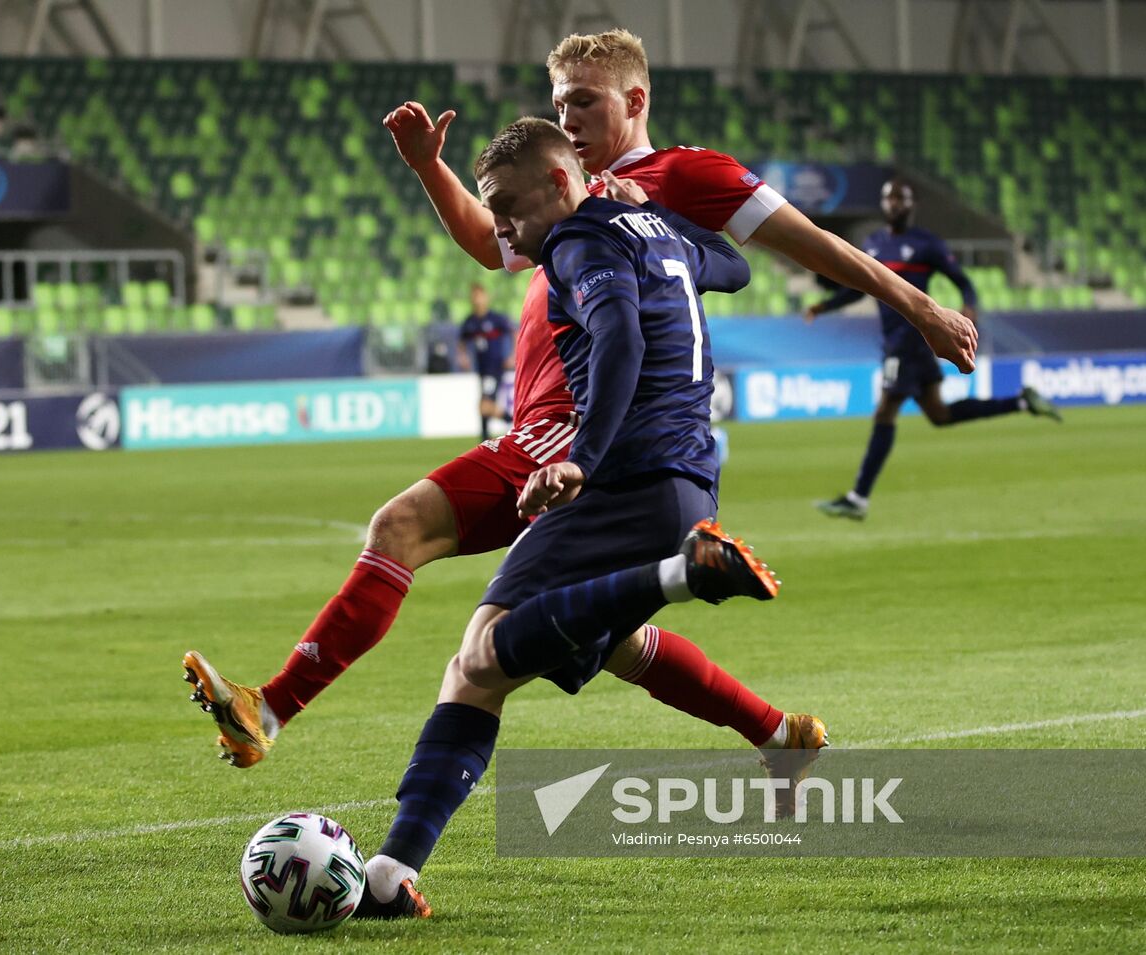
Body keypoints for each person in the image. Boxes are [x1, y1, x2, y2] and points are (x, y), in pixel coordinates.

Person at [180, 27, 966, 771]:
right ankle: (778, 732)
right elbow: (492, 245)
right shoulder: (560, 192)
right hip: (557, 429)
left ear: (636, 101)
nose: (569, 115)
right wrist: (429, 168)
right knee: (612, 638)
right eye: (559, 102)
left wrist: (922, 309)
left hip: (574, 433)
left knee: (415, 544)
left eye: (585, 100)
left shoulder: (686, 175)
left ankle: (275, 713)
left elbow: (805, 246)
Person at [354, 119, 824, 919]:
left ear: (563, 183)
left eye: (506, 203)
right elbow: (736, 268)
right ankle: (782, 737)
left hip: (626, 479)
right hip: (688, 486)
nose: (497, 223)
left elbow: (619, 337)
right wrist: (664, 219)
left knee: (480, 658)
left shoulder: (578, 243)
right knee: (616, 643)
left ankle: (394, 868)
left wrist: (583, 459)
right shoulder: (649, 230)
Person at [807, 178, 1062, 520]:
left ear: (911, 206)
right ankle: (1020, 401)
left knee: (885, 411)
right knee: (938, 414)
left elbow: (963, 281)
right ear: (883, 205)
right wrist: (824, 306)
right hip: (901, 341)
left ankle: (858, 498)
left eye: (901, 199)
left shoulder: (925, 244)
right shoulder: (874, 245)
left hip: (909, 340)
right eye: (889, 199)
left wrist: (968, 306)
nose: (895, 204)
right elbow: (857, 288)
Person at [457, 282, 514, 439]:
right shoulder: (470, 322)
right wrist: (463, 357)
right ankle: (484, 438)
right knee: (484, 403)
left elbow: (513, 332)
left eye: (479, 296)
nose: (477, 300)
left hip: (494, 367)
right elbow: (461, 342)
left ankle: (516, 421)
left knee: (484, 406)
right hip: (481, 369)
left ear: (486, 297)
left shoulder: (495, 319)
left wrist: (512, 355)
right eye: (474, 296)